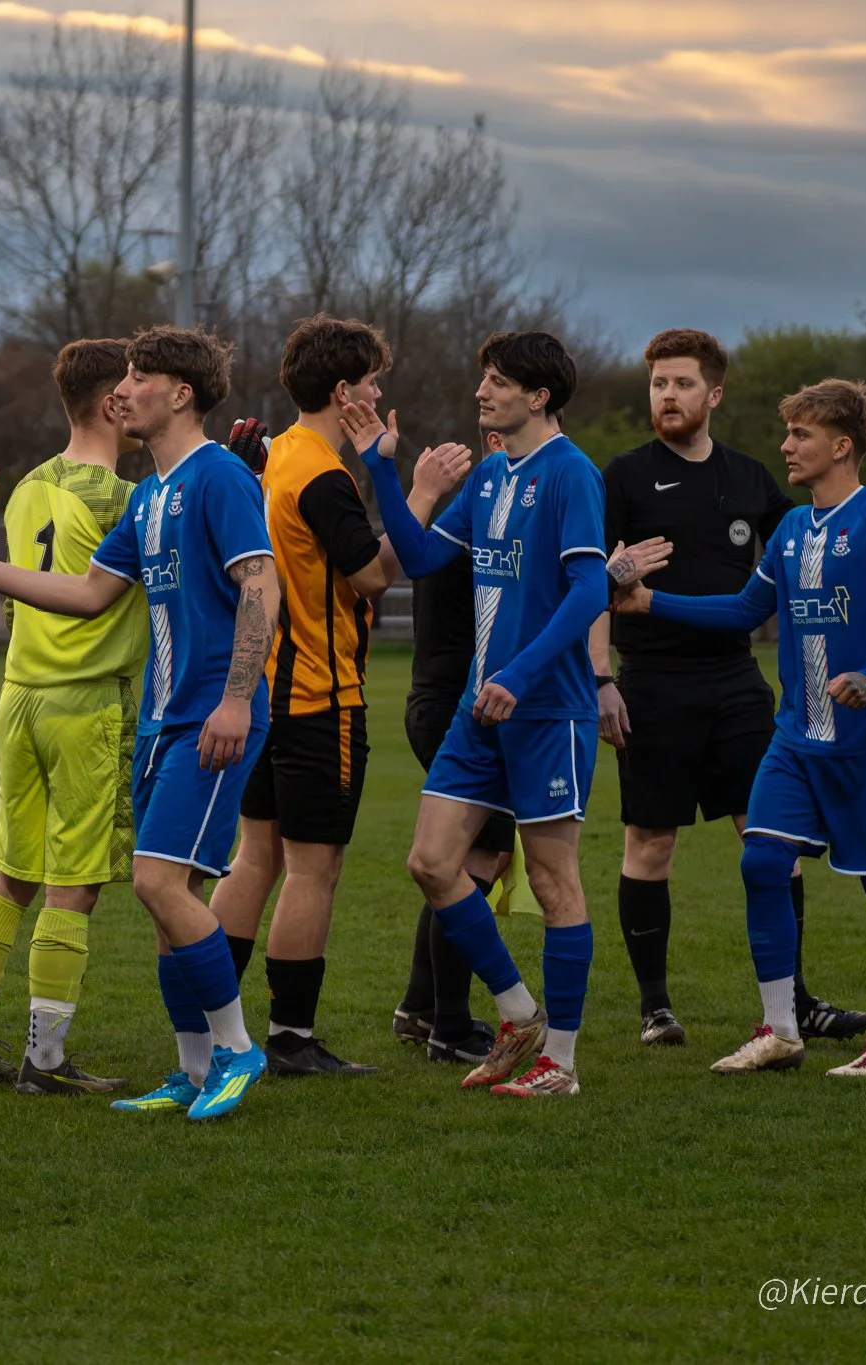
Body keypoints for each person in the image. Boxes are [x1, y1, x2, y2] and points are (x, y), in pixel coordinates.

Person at [0, 325, 279, 1122]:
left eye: (139, 376)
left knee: (156, 880)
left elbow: (260, 584)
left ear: (180, 393)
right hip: (158, 722)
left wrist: (235, 697)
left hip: (210, 718)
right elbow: (88, 593)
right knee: (166, 900)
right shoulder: (147, 495)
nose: (123, 389)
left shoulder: (220, 475)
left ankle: (237, 1047)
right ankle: (192, 1068)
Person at [614, 379, 866, 1079]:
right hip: (796, 740)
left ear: (842, 445)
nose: (787, 446)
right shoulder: (794, 529)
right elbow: (744, 611)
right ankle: (780, 1030)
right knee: (762, 862)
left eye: (801, 434)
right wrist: (649, 602)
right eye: (788, 432)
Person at [597, 329, 866, 1047]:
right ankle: (656, 1008)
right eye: (658, 383)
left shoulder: (750, 478)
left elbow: (813, 546)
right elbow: (589, 585)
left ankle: (796, 1001)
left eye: (683, 383)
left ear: (713, 393)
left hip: (735, 683)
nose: (668, 395)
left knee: (772, 838)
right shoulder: (623, 477)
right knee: (649, 844)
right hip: (651, 683)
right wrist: (601, 678)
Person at [209, 316, 467, 1076]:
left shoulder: (276, 458)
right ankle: (291, 1038)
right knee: (312, 868)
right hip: (320, 697)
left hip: (264, 693)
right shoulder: (322, 473)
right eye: (373, 383)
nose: (380, 394)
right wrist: (421, 492)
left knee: (255, 857)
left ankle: (209, 1023)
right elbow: (374, 574)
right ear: (345, 390)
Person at [359, 331, 607, 1099]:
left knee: (555, 881)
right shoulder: (494, 473)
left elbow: (590, 591)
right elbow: (420, 559)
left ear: (539, 396)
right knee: (431, 862)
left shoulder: (572, 474)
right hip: (479, 710)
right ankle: (518, 1014)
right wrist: (381, 470)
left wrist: (522, 675)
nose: (481, 392)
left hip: (547, 711)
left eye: (497, 381)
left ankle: (560, 1063)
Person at [0, 338, 146, 1094]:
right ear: (113, 402)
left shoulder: (29, 486)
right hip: (85, 701)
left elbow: (16, 591)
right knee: (74, 885)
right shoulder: (124, 500)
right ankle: (46, 1059)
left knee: (12, 874)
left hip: (18, 695)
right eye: (135, 386)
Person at [390, 430, 507, 1067]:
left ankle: (422, 1007)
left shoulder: (454, 522)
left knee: (450, 867)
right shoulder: (483, 525)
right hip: (468, 708)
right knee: (470, 869)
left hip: (434, 702)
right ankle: (451, 1026)